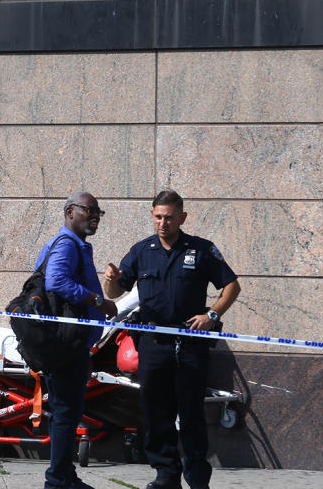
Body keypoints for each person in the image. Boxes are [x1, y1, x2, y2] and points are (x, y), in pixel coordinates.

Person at [103, 190, 240, 489]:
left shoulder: (201, 250)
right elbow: (115, 294)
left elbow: (231, 285)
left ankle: (197, 477)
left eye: (169, 217)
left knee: (191, 412)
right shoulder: (142, 251)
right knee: (156, 412)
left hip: (189, 343)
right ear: (152, 216)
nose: (163, 223)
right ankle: (166, 474)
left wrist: (212, 316)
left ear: (182, 218)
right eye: (158, 217)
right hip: (153, 342)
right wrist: (111, 281)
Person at [38, 192, 118, 489]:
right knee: (64, 412)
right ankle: (58, 479)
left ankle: (65, 475)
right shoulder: (67, 246)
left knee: (67, 412)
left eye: (98, 212)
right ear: (70, 212)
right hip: (66, 344)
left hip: (72, 344)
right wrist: (99, 301)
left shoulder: (73, 245)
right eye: (89, 210)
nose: (95, 216)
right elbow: (55, 281)